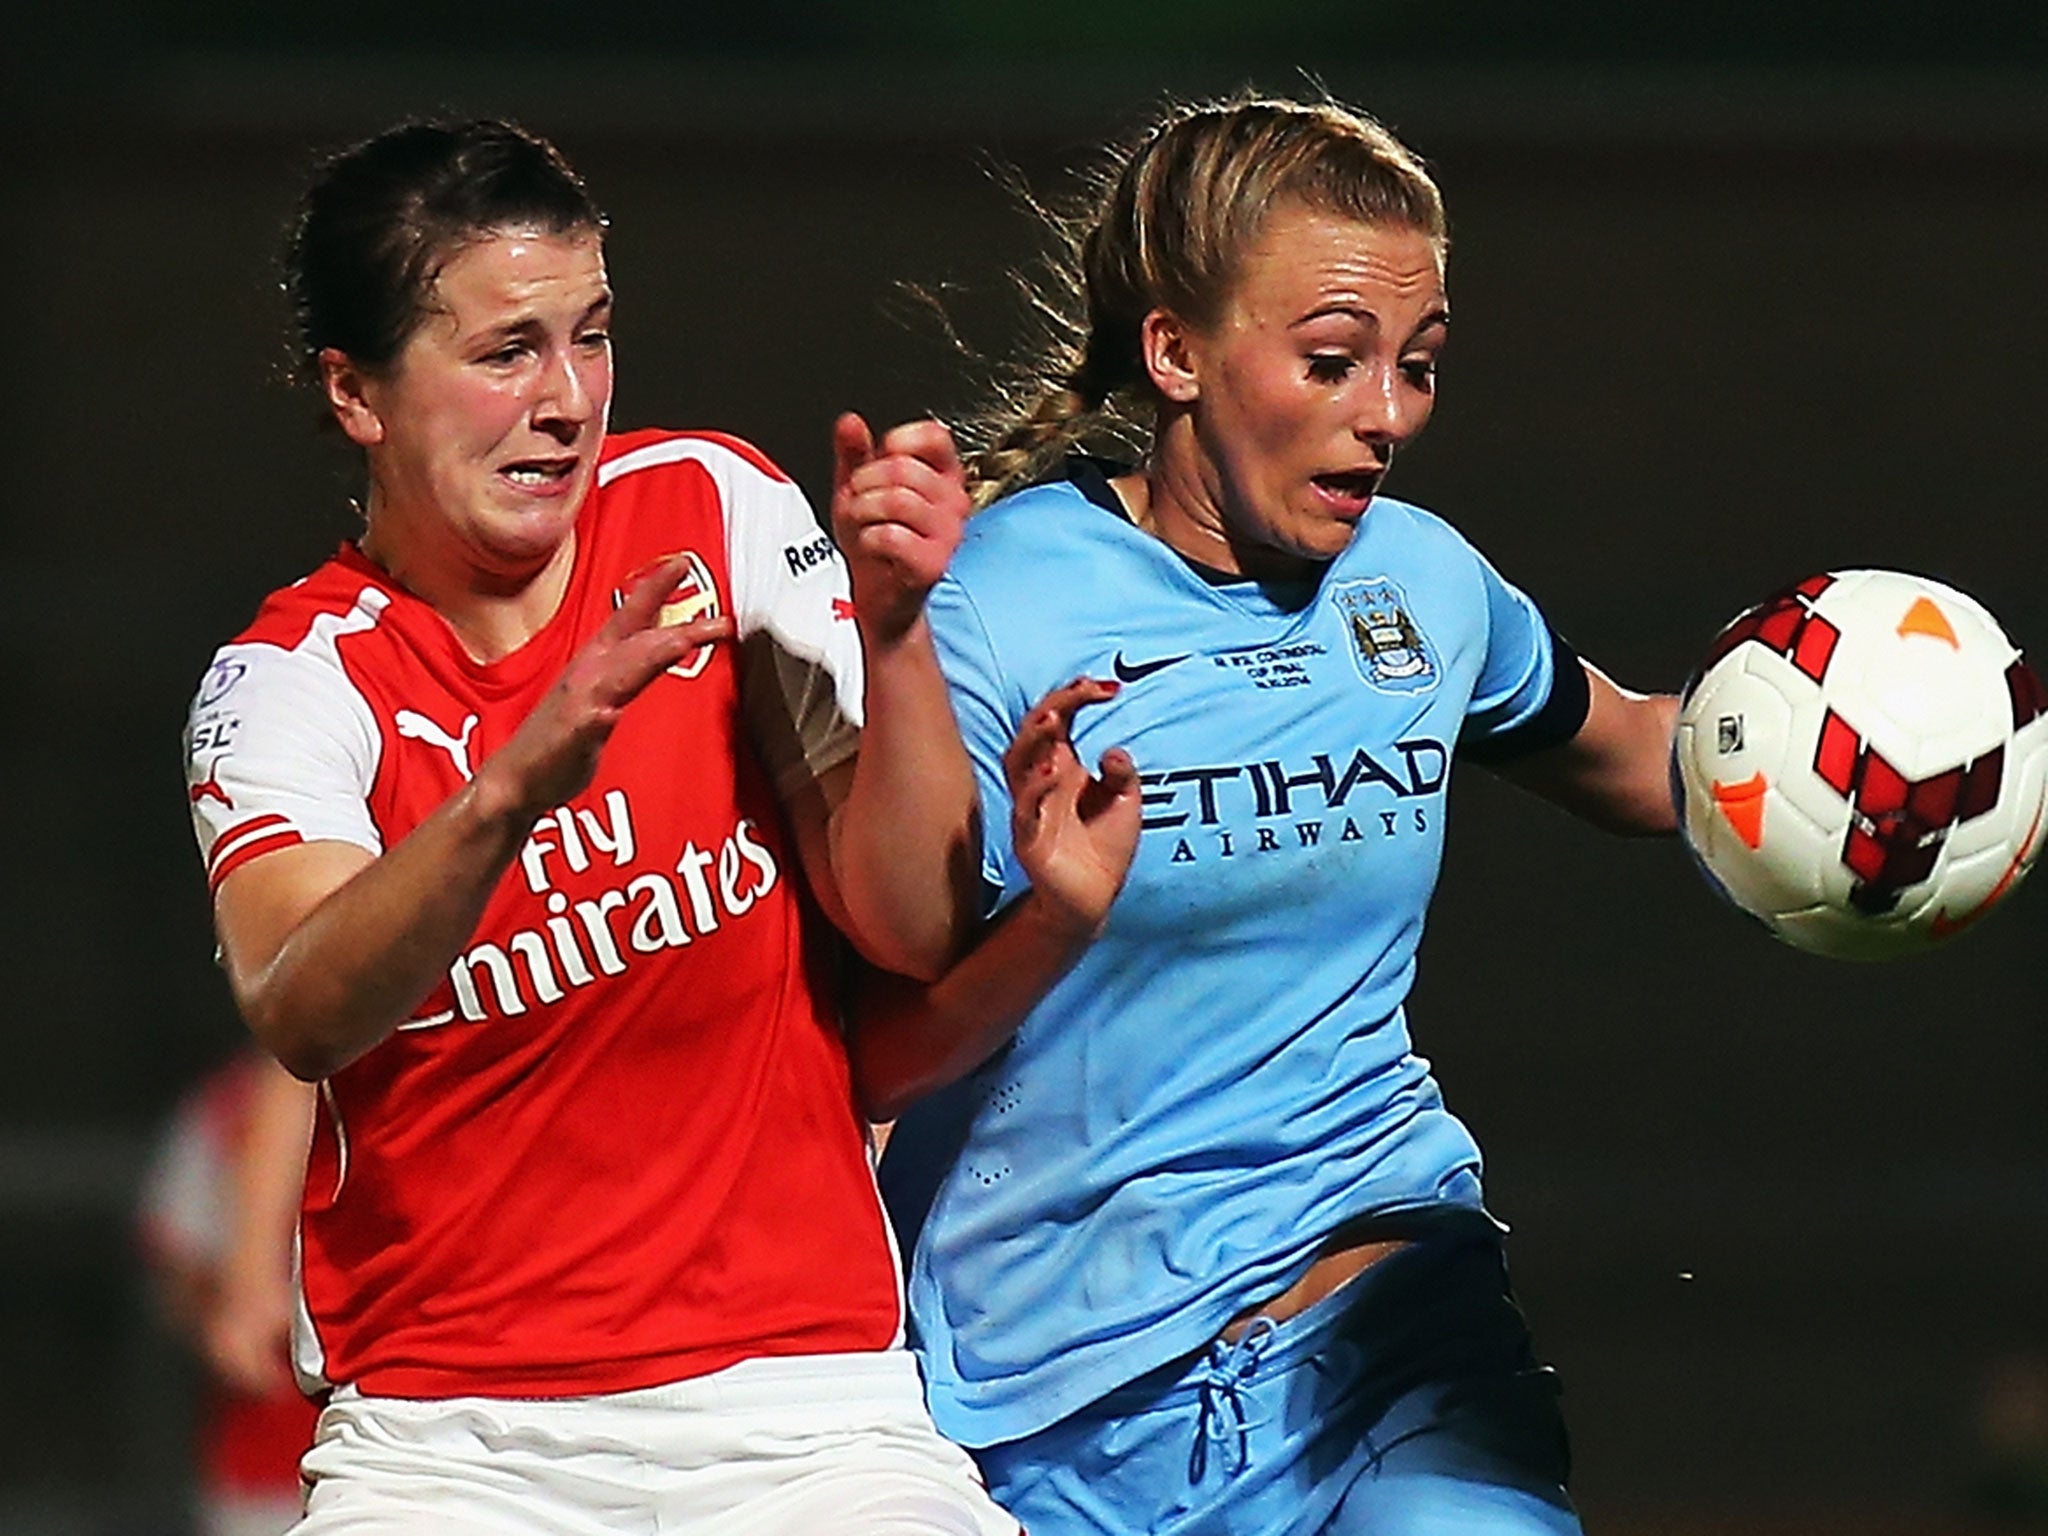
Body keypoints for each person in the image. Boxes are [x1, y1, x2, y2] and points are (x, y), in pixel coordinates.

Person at [183, 116, 1024, 1535]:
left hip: (808, 1416)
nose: (567, 399)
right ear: (356, 392)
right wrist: (510, 789)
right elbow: (301, 1005)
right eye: (506, 350)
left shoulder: (711, 506)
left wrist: (895, 640)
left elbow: (913, 921)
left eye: (592, 336)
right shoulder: (291, 680)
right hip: (448, 1449)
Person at [860, 95, 1682, 1536]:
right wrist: (1047, 893)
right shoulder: (995, 606)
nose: (1386, 415)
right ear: (1174, 351)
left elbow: (1648, 761)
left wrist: (1904, 747)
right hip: (1055, 1398)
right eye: (1333, 360)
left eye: (1417, 367)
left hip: (1389, 1326)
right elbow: (884, 1007)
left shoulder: (1424, 587)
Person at [138, 1050, 321, 1536]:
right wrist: (241, 1301)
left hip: (439, 1444)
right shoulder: (222, 1108)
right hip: (267, 1456)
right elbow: (178, 1259)